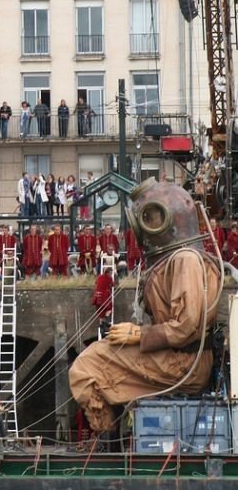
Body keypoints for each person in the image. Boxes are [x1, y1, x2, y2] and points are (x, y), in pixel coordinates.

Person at [69, 179, 222, 433]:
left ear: (167, 220)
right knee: (101, 352)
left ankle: (106, 439)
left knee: (88, 367)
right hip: (180, 358)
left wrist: (139, 334)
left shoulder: (186, 260)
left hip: (185, 364)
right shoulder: (177, 257)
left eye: (151, 218)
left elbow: (187, 326)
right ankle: (117, 436)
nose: (146, 227)